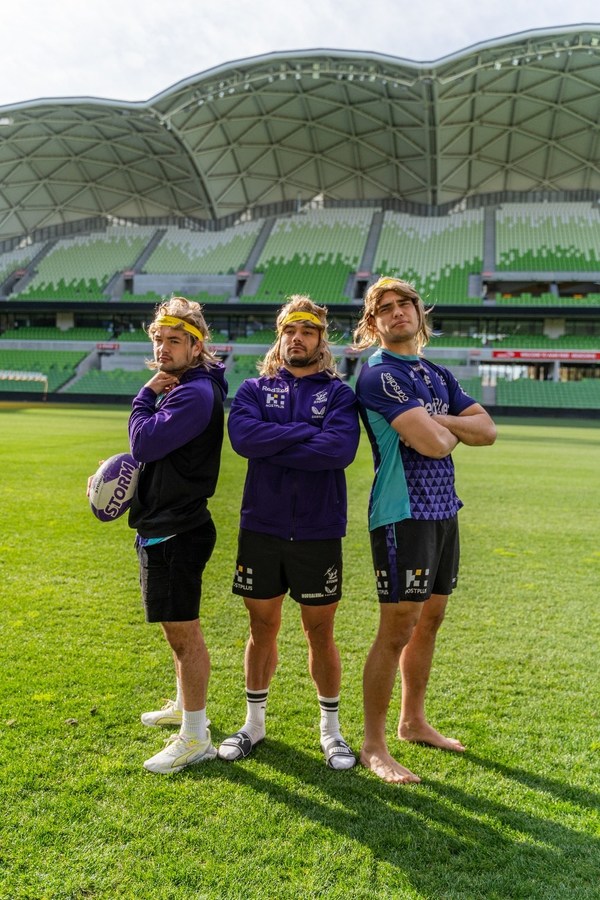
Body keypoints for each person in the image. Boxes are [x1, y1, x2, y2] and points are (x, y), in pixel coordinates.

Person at [353, 276, 497, 784]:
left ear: (419, 312)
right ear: (373, 324)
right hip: (401, 513)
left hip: (442, 510)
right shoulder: (378, 375)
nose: (397, 313)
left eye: (404, 304)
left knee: (430, 621)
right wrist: (448, 426)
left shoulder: (435, 373)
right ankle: (373, 744)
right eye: (384, 308)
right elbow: (435, 444)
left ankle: (413, 721)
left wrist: (442, 422)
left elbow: (487, 430)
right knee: (396, 629)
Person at [218, 295, 360, 770]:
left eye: (307, 331)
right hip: (262, 525)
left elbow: (338, 451)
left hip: (319, 530)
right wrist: (305, 433)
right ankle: (253, 725)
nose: (296, 338)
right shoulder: (255, 389)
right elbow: (243, 440)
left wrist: (275, 440)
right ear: (279, 338)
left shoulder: (340, 394)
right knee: (262, 628)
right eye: (289, 331)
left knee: (320, 632)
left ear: (321, 340)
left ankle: (331, 732)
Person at [128, 296, 227, 774]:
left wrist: (143, 396)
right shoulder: (186, 386)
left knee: (184, 633)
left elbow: (144, 440)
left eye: (174, 340)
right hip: (166, 522)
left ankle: (195, 735)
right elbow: (155, 458)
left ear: (196, 345)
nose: (163, 348)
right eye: (158, 339)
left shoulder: (193, 393)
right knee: (176, 630)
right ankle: (184, 706)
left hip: (178, 529)